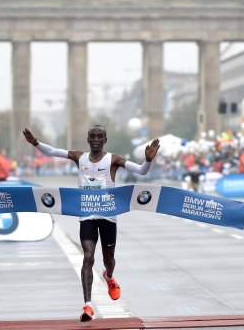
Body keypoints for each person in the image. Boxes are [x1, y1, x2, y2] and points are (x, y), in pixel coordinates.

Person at [23, 126, 160, 322]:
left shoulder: (113, 159)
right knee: (87, 257)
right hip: (87, 214)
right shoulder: (80, 157)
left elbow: (141, 171)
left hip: (108, 216)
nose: (95, 139)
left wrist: (148, 159)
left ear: (105, 139)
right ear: (88, 139)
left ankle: (109, 276)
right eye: (92, 136)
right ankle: (87, 306)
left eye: (99, 136)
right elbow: (54, 151)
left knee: (108, 260)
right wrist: (35, 143)